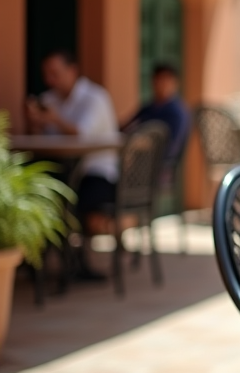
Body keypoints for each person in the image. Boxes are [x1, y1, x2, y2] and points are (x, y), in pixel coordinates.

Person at [25, 49, 120, 276]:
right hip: (64, 171)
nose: (50, 80)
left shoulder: (95, 98)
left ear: (72, 71)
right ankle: (42, 259)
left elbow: (82, 136)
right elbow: (42, 140)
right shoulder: (49, 99)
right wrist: (36, 123)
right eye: (47, 74)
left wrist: (54, 119)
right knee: (41, 193)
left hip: (98, 175)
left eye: (55, 73)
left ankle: (74, 263)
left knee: (68, 202)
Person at [124, 61, 191, 166]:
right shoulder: (148, 108)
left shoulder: (177, 112)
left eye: (166, 80)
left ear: (175, 83)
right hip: (139, 162)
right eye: (158, 80)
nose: (161, 85)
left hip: (161, 167)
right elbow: (126, 128)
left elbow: (172, 146)